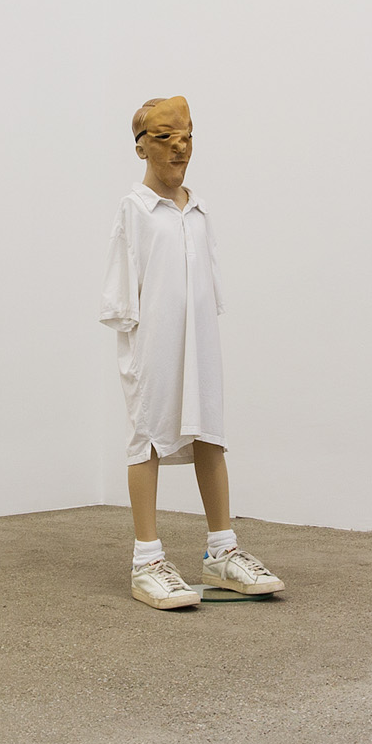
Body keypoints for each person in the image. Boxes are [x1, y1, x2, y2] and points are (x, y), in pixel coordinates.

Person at [99, 95, 285, 610]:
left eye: (186, 136)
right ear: (141, 147)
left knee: (209, 432)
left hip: (199, 342)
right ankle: (146, 560)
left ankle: (222, 551)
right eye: (165, 137)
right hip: (154, 344)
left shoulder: (198, 211)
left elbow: (207, 288)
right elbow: (122, 293)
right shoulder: (134, 210)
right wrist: (138, 346)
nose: (179, 146)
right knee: (148, 436)